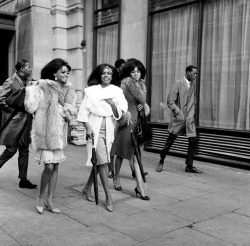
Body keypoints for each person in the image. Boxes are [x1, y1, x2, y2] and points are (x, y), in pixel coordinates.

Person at [24, 58, 77, 214]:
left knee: (56, 166)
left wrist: (68, 111)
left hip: (59, 134)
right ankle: (40, 196)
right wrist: (30, 90)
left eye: (68, 72)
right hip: (43, 133)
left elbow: (71, 111)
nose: (66, 74)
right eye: (63, 72)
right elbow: (30, 108)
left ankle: (50, 200)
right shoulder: (42, 86)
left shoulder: (69, 89)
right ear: (54, 73)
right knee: (49, 166)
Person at [77, 64, 127, 212]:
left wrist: (112, 104)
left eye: (109, 73)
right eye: (103, 73)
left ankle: (87, 188)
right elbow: (83, 111)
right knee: (103, 162)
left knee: (99, 162)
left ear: (112, 76)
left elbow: (120, 113)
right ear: (99, 75)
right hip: (94, 127)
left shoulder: (117, 91)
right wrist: (87, 128)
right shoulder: (91, 91)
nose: (106, 75)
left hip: (110, 128)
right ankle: (108, 196)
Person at [110, 58, 150, 201]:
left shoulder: (142, 85)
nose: (136, 74)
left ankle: (139, 186)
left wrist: (143, 108)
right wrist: (123, 114)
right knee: (121, 153)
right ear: (128, 72)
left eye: (138, 71)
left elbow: (144, 105)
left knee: (135, 155)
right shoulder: (124, 85)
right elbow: (116, 104)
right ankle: (116, 177)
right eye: (133, 71)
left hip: (138, 123)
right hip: (127, 123)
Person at [156, 65, 202, 173]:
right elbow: (170, 101)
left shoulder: (194, 84)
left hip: (189, 118)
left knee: (193, 140)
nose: (195, 76)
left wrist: (192, 112)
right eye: (194, 73)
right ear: (188, 72)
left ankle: (189, 166)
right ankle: (161, 160)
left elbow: (193, 101)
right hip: (180, 118)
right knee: (170, 141)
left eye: (196, 74)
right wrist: (178, 113)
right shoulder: (178, 83)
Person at [0, 59, 37, 189]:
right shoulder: (10, 82)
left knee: (24, 150)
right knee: (10, 150)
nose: (31, 69)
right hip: (14, 122)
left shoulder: (29, 82)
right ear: (21, 69)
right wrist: (12, 111)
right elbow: (1, 99)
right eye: (28, 67)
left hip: (27, 120)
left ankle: (23, 179)